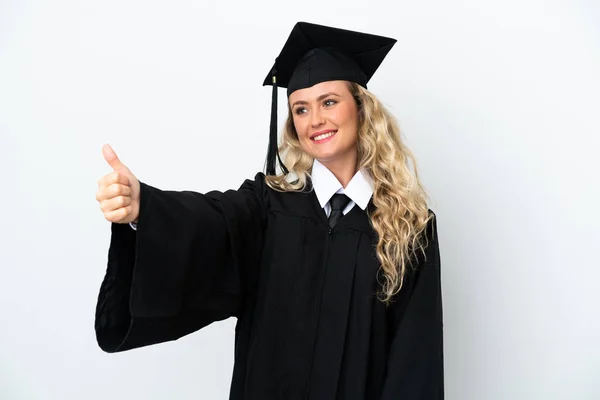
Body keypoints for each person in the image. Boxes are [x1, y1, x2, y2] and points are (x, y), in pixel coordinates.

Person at [94, 22, 444, 399]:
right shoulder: (267, 206)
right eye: (301, 109)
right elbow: (211, 219)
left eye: (329, 102)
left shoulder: (407, 225)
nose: (316, 120)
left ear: (361, 109)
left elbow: (415, 357)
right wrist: (145, 207)